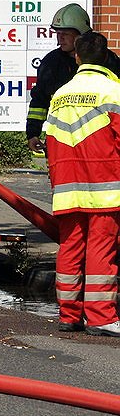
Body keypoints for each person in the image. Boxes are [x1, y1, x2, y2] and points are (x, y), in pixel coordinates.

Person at [44, 31, 120, 336]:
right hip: (104, 186)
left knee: (70, 249)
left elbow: (51, 140)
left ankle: (68, 315)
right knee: (102, 249)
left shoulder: (60, 95)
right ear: (105, 56)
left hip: (66, 188)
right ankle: (101, 318)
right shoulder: (113, 91)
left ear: (77, 57)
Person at [28, 3, 120, 153]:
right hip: (64, 144)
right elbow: (40, 101)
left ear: (81, 35)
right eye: (58, 34)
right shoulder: (51, 63)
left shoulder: (108, 60)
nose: (60, 39)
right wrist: (32, 133)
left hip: (100, 144)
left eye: (65, 34)